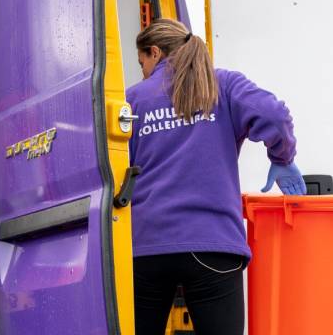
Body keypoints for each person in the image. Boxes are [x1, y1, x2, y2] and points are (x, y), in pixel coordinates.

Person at [126, 18, 306, 334]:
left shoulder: (133, 100)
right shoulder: (223, 85)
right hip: (212, 244)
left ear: (155, 52)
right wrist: (281, 157)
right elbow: (274, 116)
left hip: (148, 247)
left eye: (143, 63)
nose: (143, 73)